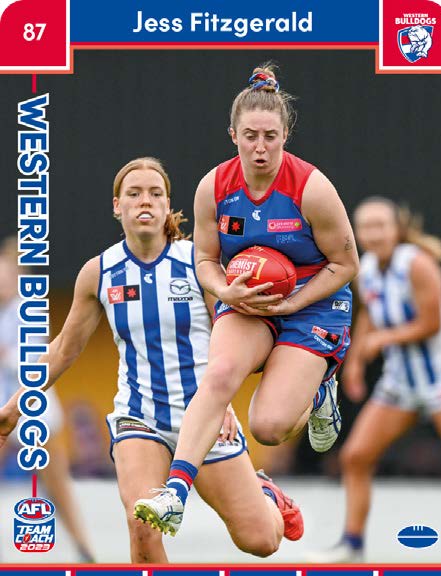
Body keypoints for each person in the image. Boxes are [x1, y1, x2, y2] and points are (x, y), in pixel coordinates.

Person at [0, 157, 304, 563]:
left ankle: (265, 494)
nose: (145, 201)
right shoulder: (99, 272)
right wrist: (15, 406)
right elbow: (63, 348)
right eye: (134, 193)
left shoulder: (199, 263)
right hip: (139, 417)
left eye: (155, 193)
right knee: (142, 524)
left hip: (203, 415)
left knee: (261, 540)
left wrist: (223, 403)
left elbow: (227, 337)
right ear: (117, 205)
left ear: (167, 205)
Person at [135, 64, 359, 536]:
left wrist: (293, 304)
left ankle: (321, 388)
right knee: (218, 375)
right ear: (233, 135)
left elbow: (345, 265)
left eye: (270, 137)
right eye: (251, 136)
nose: (260, 147)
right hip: (246, 298)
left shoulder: (312, 188)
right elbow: (204, 260)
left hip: (313, 303)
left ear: (285, 136)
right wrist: (225, 290)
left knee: (268, 427)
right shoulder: (214, 187)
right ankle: (175, 493)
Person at [308, 196, 441, 562]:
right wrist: (355, 362)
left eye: (380, 226)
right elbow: (369, 314)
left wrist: (381, 340)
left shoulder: (418, 264)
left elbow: (432, 323)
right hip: (399, 383)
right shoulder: (366, 267)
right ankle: (352, 545)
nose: (372, 234)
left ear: (396, 229)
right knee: (355, 457)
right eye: (365, 227)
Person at [0, 248, 95, 563]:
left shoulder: (28, 311)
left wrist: (7, 355)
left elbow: (35, 362)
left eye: (6, 276)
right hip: (2, 409)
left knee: (58, 487)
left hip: (33, 413)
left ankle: (84, 548)